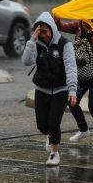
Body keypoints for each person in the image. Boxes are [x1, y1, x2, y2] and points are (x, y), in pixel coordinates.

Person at [22, 12, 78, 166]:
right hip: (42, 89)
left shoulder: (64, 45)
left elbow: (71, 68)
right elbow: (26, 61)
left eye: (46, 32)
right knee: (42, 125)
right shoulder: (37, 44)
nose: (44, 36)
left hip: (61, 90)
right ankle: (49, 135)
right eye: (41, 33)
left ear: (52, 29)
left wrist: (72, 91)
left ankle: (54, 153)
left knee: (54, 123)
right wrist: (32, 40)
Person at [54, 18, 93, 146]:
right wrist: (56, 21)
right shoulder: (78, 25)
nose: (84, 17)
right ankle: (83, 129)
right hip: (83, 72)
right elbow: (62, 27)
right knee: (71, 100)